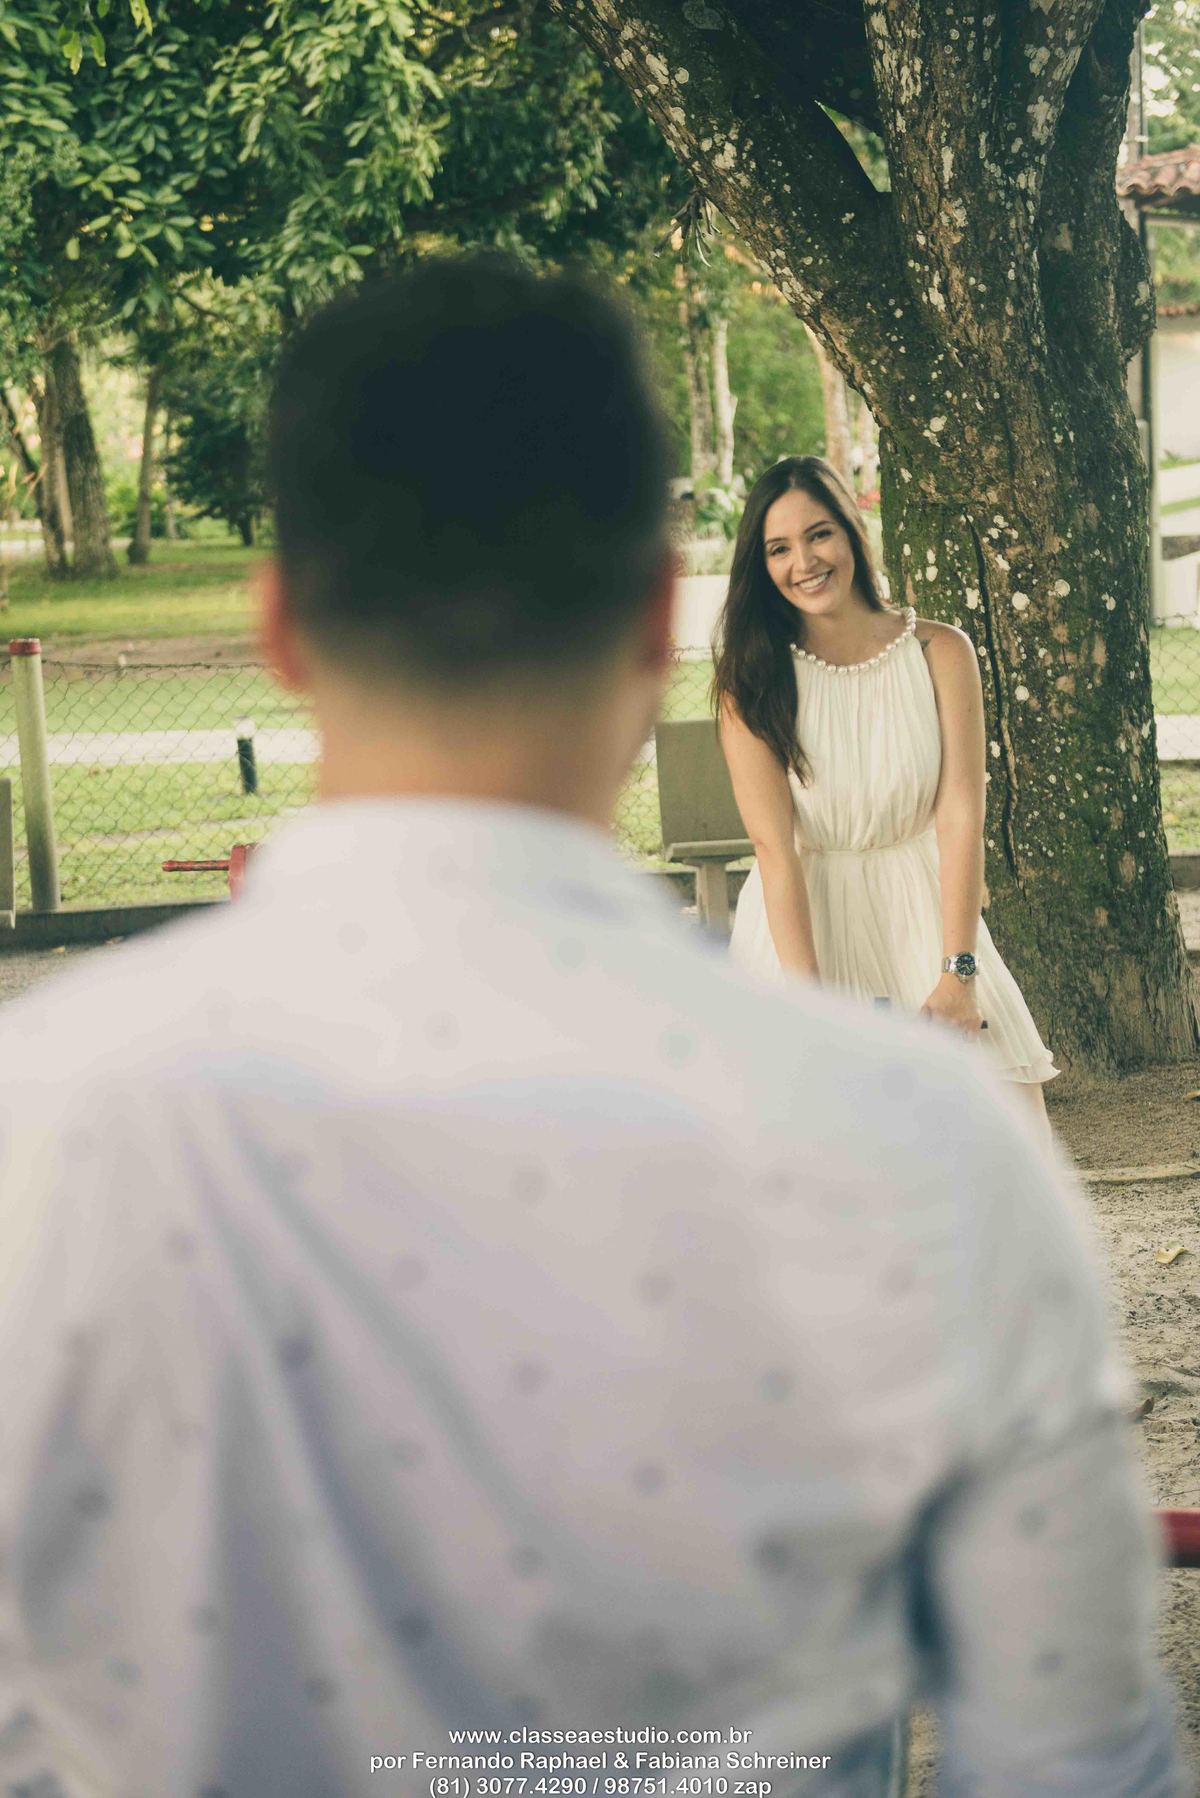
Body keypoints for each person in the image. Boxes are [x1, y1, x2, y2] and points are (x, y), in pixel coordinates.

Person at [0, 261, 1183, 1798]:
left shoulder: (46, 1118)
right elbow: (1073, 1761)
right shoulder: (922, 1142)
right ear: (649, 629)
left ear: (280, 624)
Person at [716, 455, 1057, 1132]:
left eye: (818, 534)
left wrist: (958, 971)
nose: (804, 562)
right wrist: (809, 1011)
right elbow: (773, 849)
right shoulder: (753, 681)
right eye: (778, 548)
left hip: (928, 915)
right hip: (805, 930)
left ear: (850, 531)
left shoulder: (940, 652)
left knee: (1009, 1131)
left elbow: (961, 813)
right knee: (828, 1160)